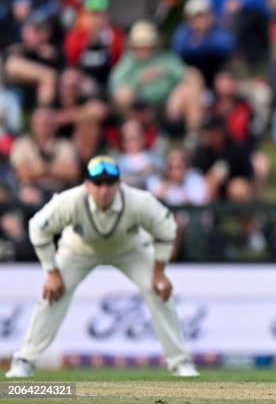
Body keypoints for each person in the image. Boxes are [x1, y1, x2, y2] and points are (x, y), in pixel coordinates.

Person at [5, 156, 199, 378]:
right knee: (52, 294)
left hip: (131, 251)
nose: (103, 190)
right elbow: (37, 228)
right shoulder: (70, 201)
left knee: (159, 292)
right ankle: (24, 362)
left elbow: (166, 227)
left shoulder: (138, 201)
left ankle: (180, 363)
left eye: (109, 183)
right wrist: (52, 272)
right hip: (78, 250)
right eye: (98, 183)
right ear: (87, 185)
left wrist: (159, 273)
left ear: (119, 184)